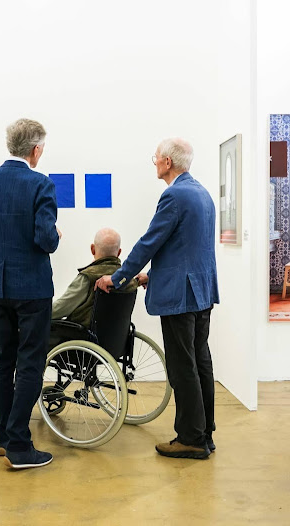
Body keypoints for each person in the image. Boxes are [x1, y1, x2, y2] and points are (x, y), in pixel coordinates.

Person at [95, 138, 219, 460]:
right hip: (201, 292)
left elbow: (150, 242)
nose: (155, 163)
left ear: (166, 162)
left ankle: (190, 438)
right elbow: (187, 249)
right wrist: (155, 275)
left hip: (181, 296)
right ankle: (205, 433)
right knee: (201, 362)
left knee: (182, 367)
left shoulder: (174, 196)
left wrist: (118, 276)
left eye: (156, 159)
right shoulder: (203, 194)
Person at [0, 118, 60, 470]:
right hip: (32, 288)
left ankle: (2, 435)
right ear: (36, 150)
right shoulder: (41, 185)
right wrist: (55, 235)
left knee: (4, 361)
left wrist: (2, 242)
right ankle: (19, 444)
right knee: (31, 363)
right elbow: (45, 239)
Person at [51, 227, 144, 326]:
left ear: (93, 249)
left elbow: (61, 309)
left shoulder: (88, 277)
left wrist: (37, 313)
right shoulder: (127, 280)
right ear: (119, 252)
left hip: (79, 336)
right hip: (114, 337)